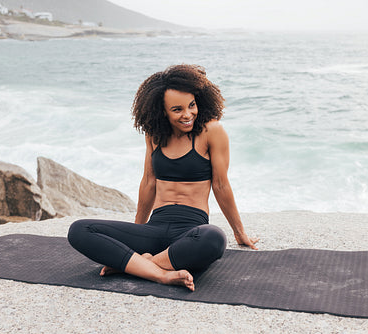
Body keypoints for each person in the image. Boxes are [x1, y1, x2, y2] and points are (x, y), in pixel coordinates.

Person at [68, 64, 258, 291]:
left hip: (190, 230)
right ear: (162, 111)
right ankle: (161, 274)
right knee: (79, 230)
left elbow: (220, 184)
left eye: (192, 105)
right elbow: (148, 182)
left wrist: (239, 233)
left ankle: (140, 265)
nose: (188, 115)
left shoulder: (212, 130)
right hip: (154, 229)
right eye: (177, 110)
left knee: (214, 238)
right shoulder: (154, 135)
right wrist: (134, 233)